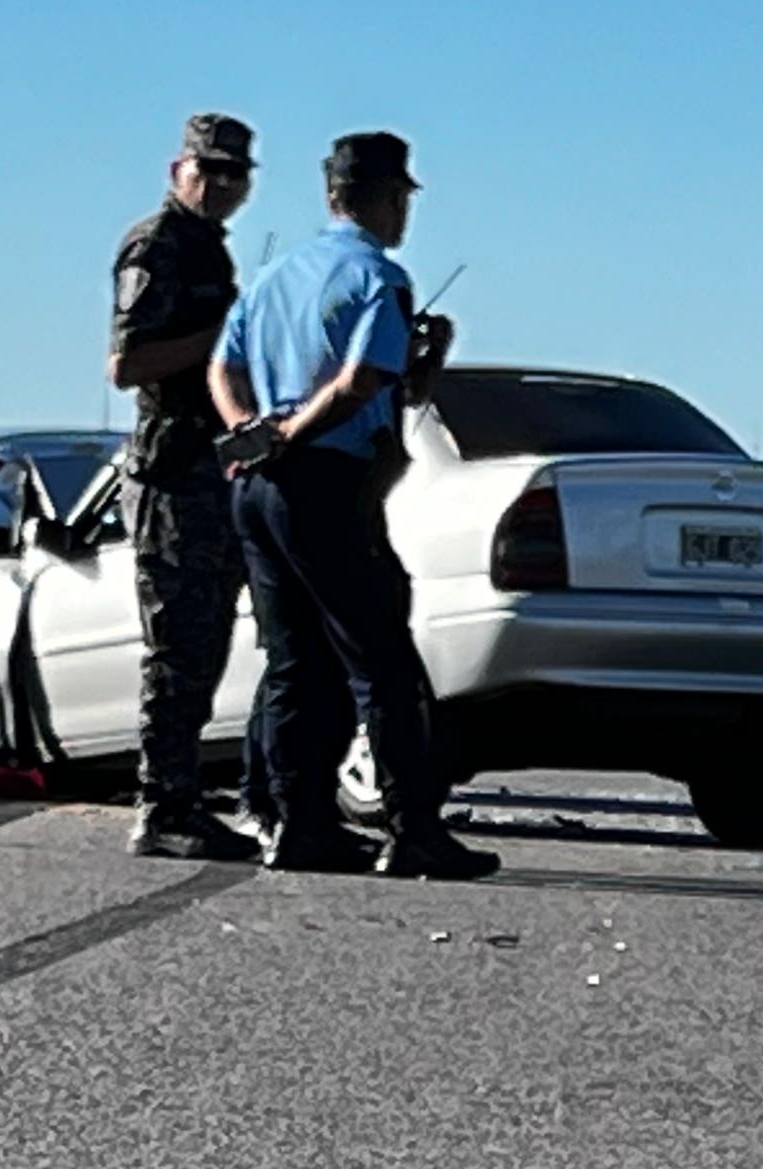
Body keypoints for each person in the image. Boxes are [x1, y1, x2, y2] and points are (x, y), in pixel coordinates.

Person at [208, 130, 493, 879]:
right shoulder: (381, 277)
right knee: (383, 665)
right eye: (401, 198)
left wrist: (249, 430)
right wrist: (295, 433)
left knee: (295, 660)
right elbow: (364, 382)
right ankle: (413, 829)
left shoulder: (272, 277)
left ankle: (297, 823)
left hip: (258, 489)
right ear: (386, 198)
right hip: (327, 479)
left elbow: (222, 366)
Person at [105, 113, 261, 862]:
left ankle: (180, 798)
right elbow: (126, 362)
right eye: (209, 171)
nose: (221, 185)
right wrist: (222, 336)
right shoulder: (158, 244)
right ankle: (162, 805)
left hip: (210, 467)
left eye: (234, 175)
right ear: (179, 170)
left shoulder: (209, 250)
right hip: (172, 472)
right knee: (177, 647)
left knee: (203, 647)